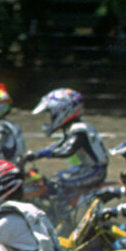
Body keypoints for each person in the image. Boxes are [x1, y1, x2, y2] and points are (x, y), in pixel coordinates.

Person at [27, 88, 109, 221]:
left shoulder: (79, 129)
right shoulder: (74, 128)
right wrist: (37, 154)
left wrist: (44, 154)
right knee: (54, 179)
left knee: (56, 183)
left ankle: (62, 221)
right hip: (89, 168)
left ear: (63, 110)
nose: (50, 117)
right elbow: (60, 144)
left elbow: (67, 149)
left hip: (94, 170)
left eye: (52, 114)